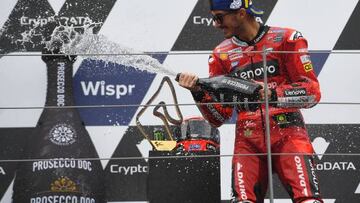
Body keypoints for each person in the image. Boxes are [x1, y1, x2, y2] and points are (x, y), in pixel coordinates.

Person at [177, 0, 323, 202]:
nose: (215, 24)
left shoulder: (287, 39)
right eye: (213, 18)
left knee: (308, 200)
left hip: (288, 132)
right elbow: (219, 117)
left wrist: (272, 95)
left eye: (219, 17)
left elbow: (312, 93)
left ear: (241, 13)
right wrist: (198, 93)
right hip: (248, 138)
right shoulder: (221, 55)